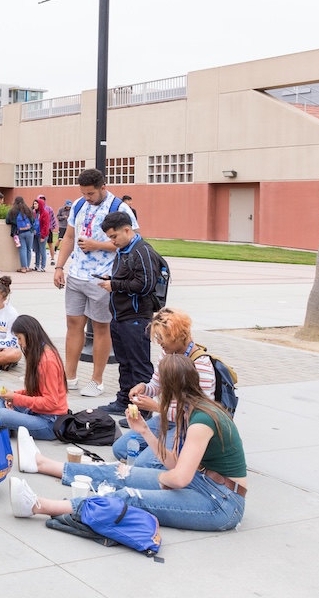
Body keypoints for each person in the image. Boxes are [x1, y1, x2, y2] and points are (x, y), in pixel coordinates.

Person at [10, 355, 246, 533]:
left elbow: (178, 478)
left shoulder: (202, 420)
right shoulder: (190, 410)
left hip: (221, 502)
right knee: (121, 471)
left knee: (130, 495)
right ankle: (42, 464)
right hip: (203, 483)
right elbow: (173, 463)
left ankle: (39, 506)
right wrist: (143, 430)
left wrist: (161, 481)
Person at [51, 168, 138, 398]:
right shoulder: (79, 205)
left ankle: (97, 380)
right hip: (77, 275)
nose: (87, 197)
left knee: (100, 327)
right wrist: (60, 267)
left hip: (103, 278)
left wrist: (97, 245)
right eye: (84, 193)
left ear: (103, 187)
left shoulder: (119, 207)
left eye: (91, 193)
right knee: (73, 324)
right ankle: (69, 376)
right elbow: (69, 237)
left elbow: (131, 241)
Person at [113, 308, 217, 467]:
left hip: (189, 425)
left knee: (143, 463)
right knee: (120, 450)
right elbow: (156, 385)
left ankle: (182, 457)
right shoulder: (167, 353)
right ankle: (167, 456)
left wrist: (157, 407)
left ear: (176, 335)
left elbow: (199, 413)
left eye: (161, 337)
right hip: (168, 419)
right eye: (156, 337)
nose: (159, 342)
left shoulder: (201, 365)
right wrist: (144, 388)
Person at [96, 210, 162, 415]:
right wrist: (112, 278)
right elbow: (130, 278)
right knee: (124, 363)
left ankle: (143, 409)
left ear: (127, 230)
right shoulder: (125, 251)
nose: (112, 241)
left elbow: (145, 285)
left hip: (135, 316)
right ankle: (125, 400)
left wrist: (114, 284)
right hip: (120, 315)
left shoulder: (142, 251)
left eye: (114, 236)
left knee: (138, 364)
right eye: (110, 238)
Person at [0, 315, 69, 440]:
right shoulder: (39, 353)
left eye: (19, 338)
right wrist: (13, 395)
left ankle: (1, 428)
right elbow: (36, 391)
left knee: (1, 414)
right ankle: (3, 428)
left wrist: (15, 398)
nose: (19, 343)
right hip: (36, 412)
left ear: (29, 334)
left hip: (49, 422)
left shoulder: (48, 361)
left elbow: (51, 403)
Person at [5, 196, 35, 273]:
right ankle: (27, 267)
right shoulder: (28, 210)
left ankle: (23, 267)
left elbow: (7, 220)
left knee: (22, 249)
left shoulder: (13, 211)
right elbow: (33, 220)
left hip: (20, 232)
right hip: (30, 232)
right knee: (29, 249)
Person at [32, 196, 53, 272]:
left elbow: (45, 225)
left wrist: (43, 235)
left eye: (36, 204)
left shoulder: (45, 213)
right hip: (35, 234)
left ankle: (43, 266)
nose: (35, 205)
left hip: (42, 234)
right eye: (34, 204)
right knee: (36, 250)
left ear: (39, 204)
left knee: (42, 250)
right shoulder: (34, 213)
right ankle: (37, 265)